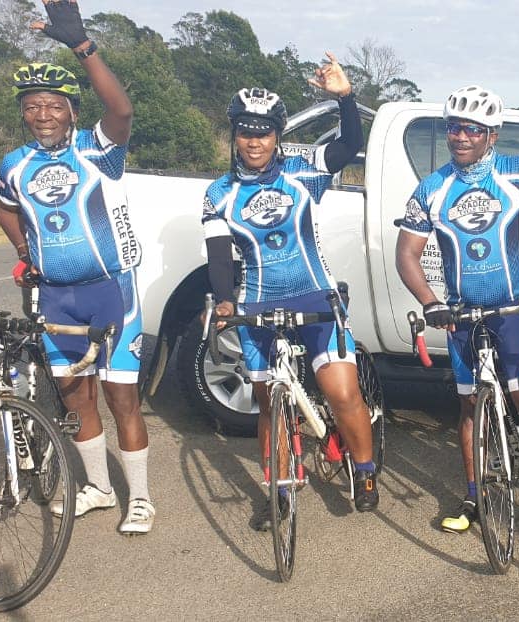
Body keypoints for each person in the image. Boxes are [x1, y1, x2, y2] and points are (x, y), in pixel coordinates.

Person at [396, 69, 519, 547]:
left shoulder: (515, 172)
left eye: (472, 129)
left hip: (511, 313)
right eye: (454, 127)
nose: (461, 137)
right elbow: (407, 255)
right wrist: (430, 302)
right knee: (469, 406)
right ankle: (473, 496)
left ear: (492, 135)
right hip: (460, 316)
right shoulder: (431, 189)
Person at [0, 0, 153, 534]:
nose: (43, 114)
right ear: (23, 113)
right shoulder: (15, 164)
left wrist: (82, 46)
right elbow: (5, 208)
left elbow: (123, 110)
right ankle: (100, 489)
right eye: (33, 106)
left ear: (72, 112)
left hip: (111, 292)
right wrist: (25, 253)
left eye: (54, 105)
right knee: (74, 395)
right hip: (58, 298)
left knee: (121, 397)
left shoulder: (97, 150)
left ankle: (140, 499)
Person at [201, 53, 377, 529]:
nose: (254, 140)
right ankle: (279, 488)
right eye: (245, 131)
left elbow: (350, 145)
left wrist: (345, 98)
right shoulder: (219, 193)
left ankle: (364, 470)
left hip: (314, 296)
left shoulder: (302, 169)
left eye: (263, 131)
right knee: (269, 405)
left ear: (277, 135)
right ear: (234, 135)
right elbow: (219, 257)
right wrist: (224, 301)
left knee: (342, 393)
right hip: (258, 300)